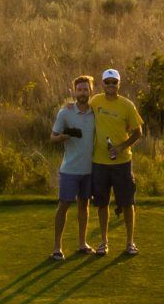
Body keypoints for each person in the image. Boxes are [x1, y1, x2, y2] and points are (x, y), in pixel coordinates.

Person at [86, 66, 147, 256]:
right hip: (100, 162)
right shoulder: (95, 101)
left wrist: (121, 147)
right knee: (102, 203)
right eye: (107, 82)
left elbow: (138, 132)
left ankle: (130, 242)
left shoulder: (127, 105)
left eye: (114, 82)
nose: (111, 85)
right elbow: (81, 109)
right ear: (102, 84)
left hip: (122, 162)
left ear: (119, 84)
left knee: (127, 203)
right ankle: (104, 242)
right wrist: (69, 106)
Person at [48, 74, 99, 260]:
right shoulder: (65, 112)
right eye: (79, 89)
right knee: (63, 205)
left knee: (84, 205)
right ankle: (57, 247)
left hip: (89, 169)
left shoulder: (96, 111)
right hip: (69, 169)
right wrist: (62, 137)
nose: (83, 92)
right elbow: (52, 137)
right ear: (74, 91)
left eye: (86, 89)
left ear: (91, 91)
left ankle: (82, 243)